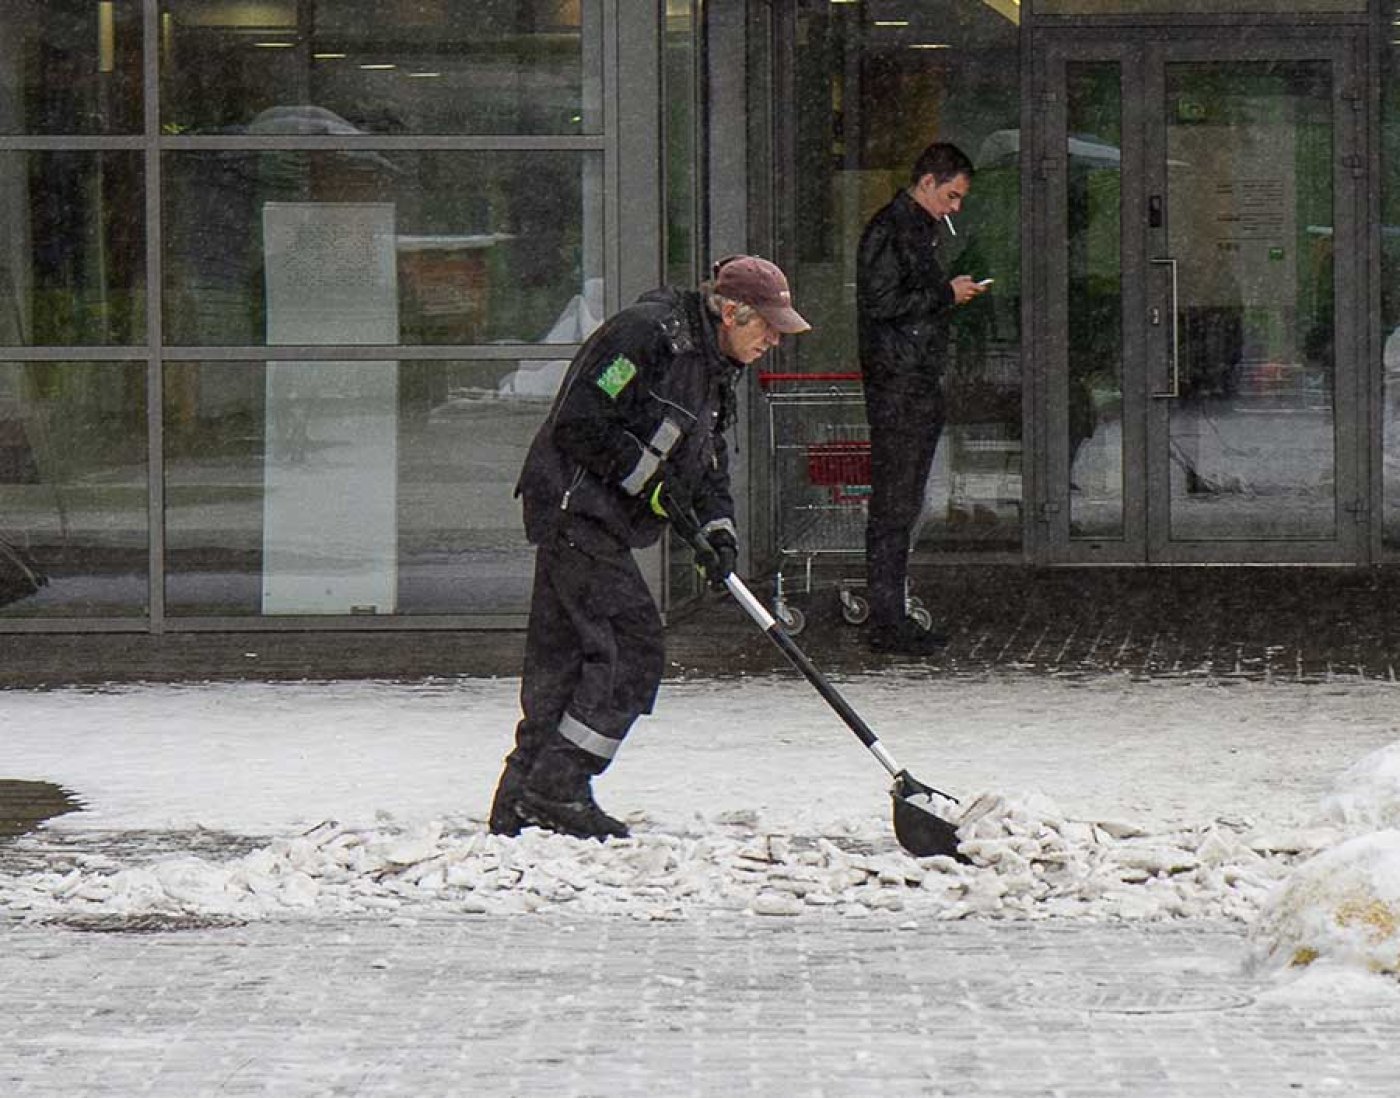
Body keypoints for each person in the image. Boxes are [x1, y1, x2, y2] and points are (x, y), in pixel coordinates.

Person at [488, 255, 811, 841]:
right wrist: (650, 481)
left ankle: (518, 803)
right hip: (574, 508)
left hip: (603, 519)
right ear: (731, 311)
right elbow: (581, 421)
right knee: (632, 648)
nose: (771, 340)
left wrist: (718, 535)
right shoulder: (647, 336)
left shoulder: (715, 367)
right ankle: (556, 789)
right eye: (765, 326)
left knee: (563, 661)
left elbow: (705, 461)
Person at [856, 142, 988, 655]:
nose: (954, 208)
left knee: (900, 503)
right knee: (894, 504)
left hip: (907, 379)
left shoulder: (905, 228)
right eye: (952, 195)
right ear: (928, 182)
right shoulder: (895, 230)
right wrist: (944, 295)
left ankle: (890, 614)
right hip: (901, 382)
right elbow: (882, 301)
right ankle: (886, 619)